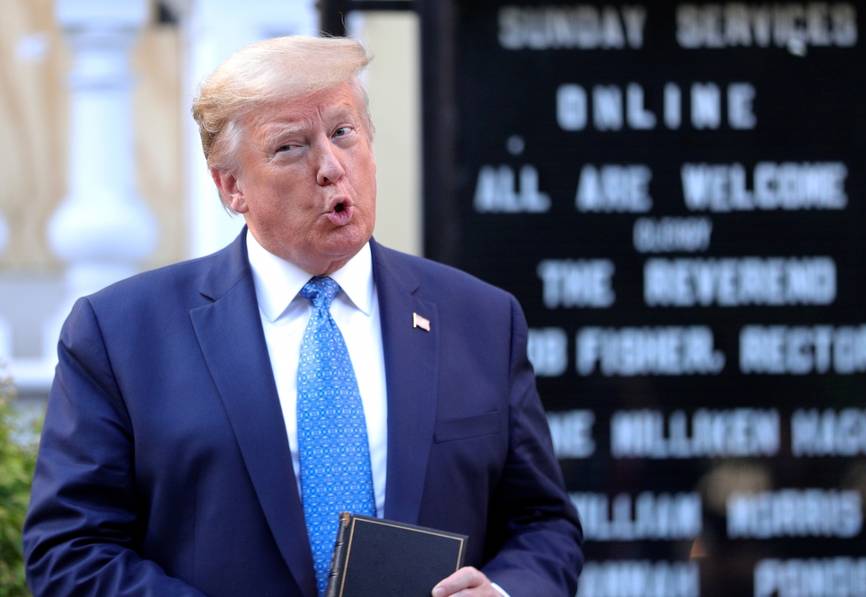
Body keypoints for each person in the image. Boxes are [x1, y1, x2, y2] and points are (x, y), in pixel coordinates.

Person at [23, 35, 583, 596]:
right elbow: (71, 552)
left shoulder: (481, 319)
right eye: (291, 147)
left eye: (343, 133)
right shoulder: (121, 334)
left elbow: (543, 525)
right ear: (232, 186)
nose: (331, 167)